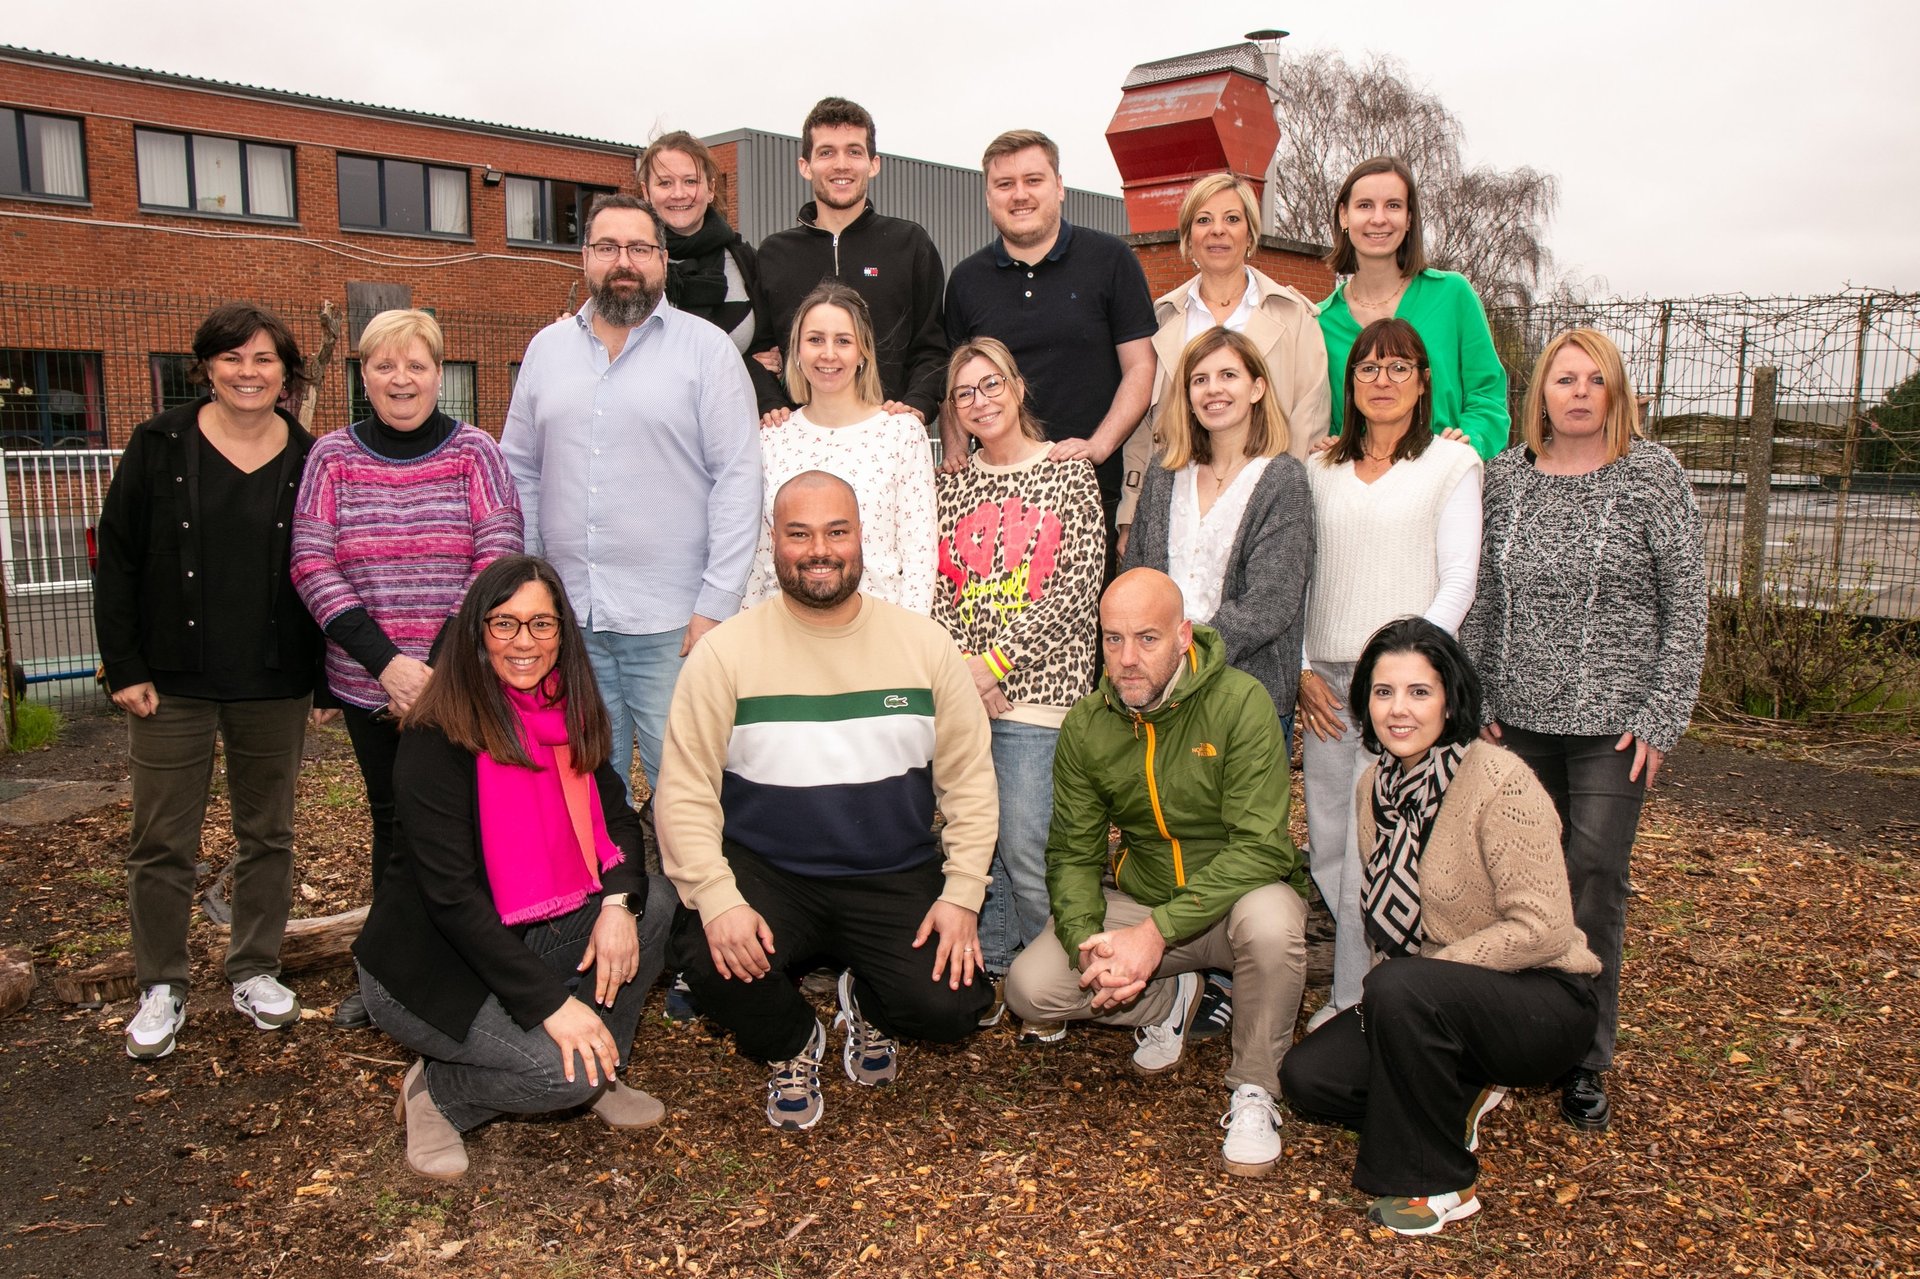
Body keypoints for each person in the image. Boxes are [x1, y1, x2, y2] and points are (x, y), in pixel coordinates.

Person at [656, 472, 997, 1133]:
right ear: (773, 543)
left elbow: (970, 782)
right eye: (800, 533)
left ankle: (868, 999)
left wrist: (962, 894)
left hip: (891, 869)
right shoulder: (725, 653)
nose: (820, 549)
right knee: (707, 953)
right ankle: (794, 1040)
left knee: (952, 1005)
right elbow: (685, 789)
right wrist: (719, 898)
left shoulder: (923, 646)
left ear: (860, 537)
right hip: (769, 870)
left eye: (836, 531)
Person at [353, 556, 674, 1180]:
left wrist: (614, 906)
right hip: (429, 971)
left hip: (525, 934)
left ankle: (600, 1066)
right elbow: (451, 900)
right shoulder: (435, 735)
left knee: (651, 904)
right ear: (477, 633)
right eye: (504, 625)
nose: (524, 643)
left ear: (562, 634)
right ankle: (440, 1093)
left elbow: (619, 822)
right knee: (560, 1080)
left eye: (541, 625)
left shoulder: (568, 715)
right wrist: (552, 1005)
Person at [1280, 618, 1601, 1235]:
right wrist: (1405, 991)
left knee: (1402, 986)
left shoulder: (1499, 780)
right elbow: (1388, 921)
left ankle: (1437, 1182)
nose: (1398, 710)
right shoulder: (1376, 785)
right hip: (1429, 1001)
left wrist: (1423, 978)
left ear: (1450, 699)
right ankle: (1459, 1085)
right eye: (1382, 692)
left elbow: (1544, 929)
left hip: (1542, 998)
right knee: (1309, 1079)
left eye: (1418, 692)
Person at [1462, 328, 1707, 1132]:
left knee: (1594, 876)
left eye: (1592, 380)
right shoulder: (1507, 480)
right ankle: (1512, 1033)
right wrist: (1479, 693)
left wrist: (1661, 715)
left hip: (1614, 726)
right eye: (1562, 379)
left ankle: (1584, 1053)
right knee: (1516, 881)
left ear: (1615, 392)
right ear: (1540, 395)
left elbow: (1688, 609)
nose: (1577, 392)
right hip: (1518, 720)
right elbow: (1482, 597)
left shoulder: (1652, 477)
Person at [1004, 568, 1311, 1178]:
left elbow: (1261, 849)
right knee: (1030, 988)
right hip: (1143, 898)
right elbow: (1071, 854)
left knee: (1275, 926)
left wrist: (1154, 936)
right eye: (1112, 640)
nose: (1126, 660)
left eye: (1146, 638)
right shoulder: (1090, 724)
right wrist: (1088, 944)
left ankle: (1254, 1089)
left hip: (1236, 904)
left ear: (1183, 636)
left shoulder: (1240, 703)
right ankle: (1167, 998)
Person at [95, 302, 330, 1060]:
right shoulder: (158, 443)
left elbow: (332, 569)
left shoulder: (311, 456)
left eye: (264, 360)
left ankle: (254, 967)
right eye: (232, 358)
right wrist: (124, 664)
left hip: (274, 679)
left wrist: (325, 677)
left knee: (270, 834)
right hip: (172, 681)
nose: (248, 372)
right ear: (206, 366)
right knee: (163, 839)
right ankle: (161, 982)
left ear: (286, 374)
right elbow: (119, 558)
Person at [291, 308, 524, 1029]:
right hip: (370, 684)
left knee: (476, 825)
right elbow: (309, 558)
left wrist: (436, 668)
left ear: (438, 372)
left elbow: (499, 552)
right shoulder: (332, 456)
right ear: (364, 375)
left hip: (461, 683)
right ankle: (385, 976)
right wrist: (388, 665)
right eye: (385, 365)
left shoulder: (475, 452)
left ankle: (480, 967)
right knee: (393, 828)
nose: (401, 379)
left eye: (416, 364)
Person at [501, 193, 761, 804]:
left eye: (640, 248)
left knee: (690, 794)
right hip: (569, 621)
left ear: (663, 260)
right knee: (588, 792)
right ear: (585, 257)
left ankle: (693, 900)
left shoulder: (707, 351)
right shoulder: (546, 350)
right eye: (608, 247)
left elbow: (739, 478)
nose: (625, 261)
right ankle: (611, 900)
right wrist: (533, 587)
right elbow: (520, 470)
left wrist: (715, 606)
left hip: (673, 625)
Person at [1298, 319, 1483, 1026]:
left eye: (1398, 367)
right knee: (1333, 843)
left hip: (1402, 687)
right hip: (1328, 685)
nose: (1382, 381)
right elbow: (1305, 575)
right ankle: (1359, 990)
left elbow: (1459, 580)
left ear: (1424, 380)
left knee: (1394, 846)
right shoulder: (1320, 469)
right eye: (1368, 368)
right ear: (1350, 383)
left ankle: (1363, 1001)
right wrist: (1307, 667)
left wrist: (1403, 675)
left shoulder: (1450, 465)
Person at [930, 338, 1104, 1033]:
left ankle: (1060, 983)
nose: (982, 400)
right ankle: (1001, 968)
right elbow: (937, 588)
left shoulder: (1068, 471)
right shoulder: (950, 485)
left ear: (1018, 386)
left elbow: (1076, 587)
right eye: (966, 392)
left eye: (991, 383)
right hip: (963, 691)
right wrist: (963, 669)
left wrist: (994, 666)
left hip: (1041, 694)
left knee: (1031, 842)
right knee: (977, 837)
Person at [943, 130, 1156, 574]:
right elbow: (955, 388)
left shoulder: (1111, 259)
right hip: (997, 498)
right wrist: (956, 455)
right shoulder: (966, 280)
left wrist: (1099, 446)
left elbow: (1140, 367)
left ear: (1059, 186)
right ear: (988, 196)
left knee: (1085, 630)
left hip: (1089, 487)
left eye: (1033, 180)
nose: (1019, 195)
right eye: (1005, 184)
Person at [1122, 327, 1313, 739]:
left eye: (1229, 376)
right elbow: (1137, 573)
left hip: (1246, 695)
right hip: (1159, 694)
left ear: (1257, 387)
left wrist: (1186, 655)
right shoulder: (1165, 473)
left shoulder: (1283, 479)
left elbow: (1270, 602)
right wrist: (1148, 657)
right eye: (1199, 379)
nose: (1213, 390)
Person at [1118, 173, 1331, 528]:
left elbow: (1308, 424)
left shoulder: (1294, 316)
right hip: (1174, 510)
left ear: (1250, 233)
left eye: (1232, 219)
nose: (1218, 230)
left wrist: (1279, 512)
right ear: (1188, 236)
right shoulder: (1161, 318)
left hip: (1264, 512)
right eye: (1204, 220)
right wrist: (1130, 516)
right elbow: (1143, 427)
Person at [743, 283, 937, 613]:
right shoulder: (771, 439)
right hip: (787, 632)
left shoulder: (901, 434)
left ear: (862, 352)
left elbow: (919, 555)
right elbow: (759, 551)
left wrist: (909, 644)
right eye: (815, 339)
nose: (828, 353)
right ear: (797, 351)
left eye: (843, 341)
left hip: (876, 634)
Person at [755, 98, 948, 422]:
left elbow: (932, 346)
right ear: (805, 165)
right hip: (800, 444)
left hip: (888, 440)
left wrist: (917, 404)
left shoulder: (909, 244)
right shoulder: (774, 254)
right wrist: (773, 405)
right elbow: (757, 351)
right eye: (827, 152)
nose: (841, 164)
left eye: (854, 151)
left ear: (874, 164)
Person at [1316, 157, 1510, 460]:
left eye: (1393, 205)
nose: (1378, 218)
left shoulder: (1452, 295)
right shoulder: (1320, 322)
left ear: (1409, 219)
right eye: (1365, 205)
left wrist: (1468, 444)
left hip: (1443, 484)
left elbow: (1487, 394)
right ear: (1344, 215)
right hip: (1360, 490)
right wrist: (1329, 446)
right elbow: (1320, 419)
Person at [638, 131, 786, 413]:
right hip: (655, 430)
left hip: (733, 424)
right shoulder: (631, 264)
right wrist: (738, 366)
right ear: (646, 192)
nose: (679, 193)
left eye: (690, 181)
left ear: (711, 189)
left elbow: (767, 347)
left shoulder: (744, 259)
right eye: (665, 182)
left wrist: (763, 367)